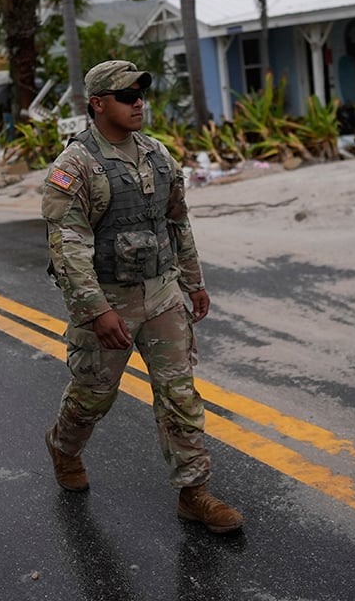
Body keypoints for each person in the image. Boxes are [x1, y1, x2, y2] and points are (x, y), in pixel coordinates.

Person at [40, 59, 243, 534]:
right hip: (109, 299)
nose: (138, 104)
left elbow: (177, 221)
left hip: (161, 293)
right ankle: (63, 447)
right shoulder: (75, 166)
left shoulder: (157, 154)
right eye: (127, 96)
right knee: (93, 395)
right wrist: (97, 311)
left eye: (141, 94)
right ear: (97, 104)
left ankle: (194, 492)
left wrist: (193, 281)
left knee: (179, 393)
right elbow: (67, 247)